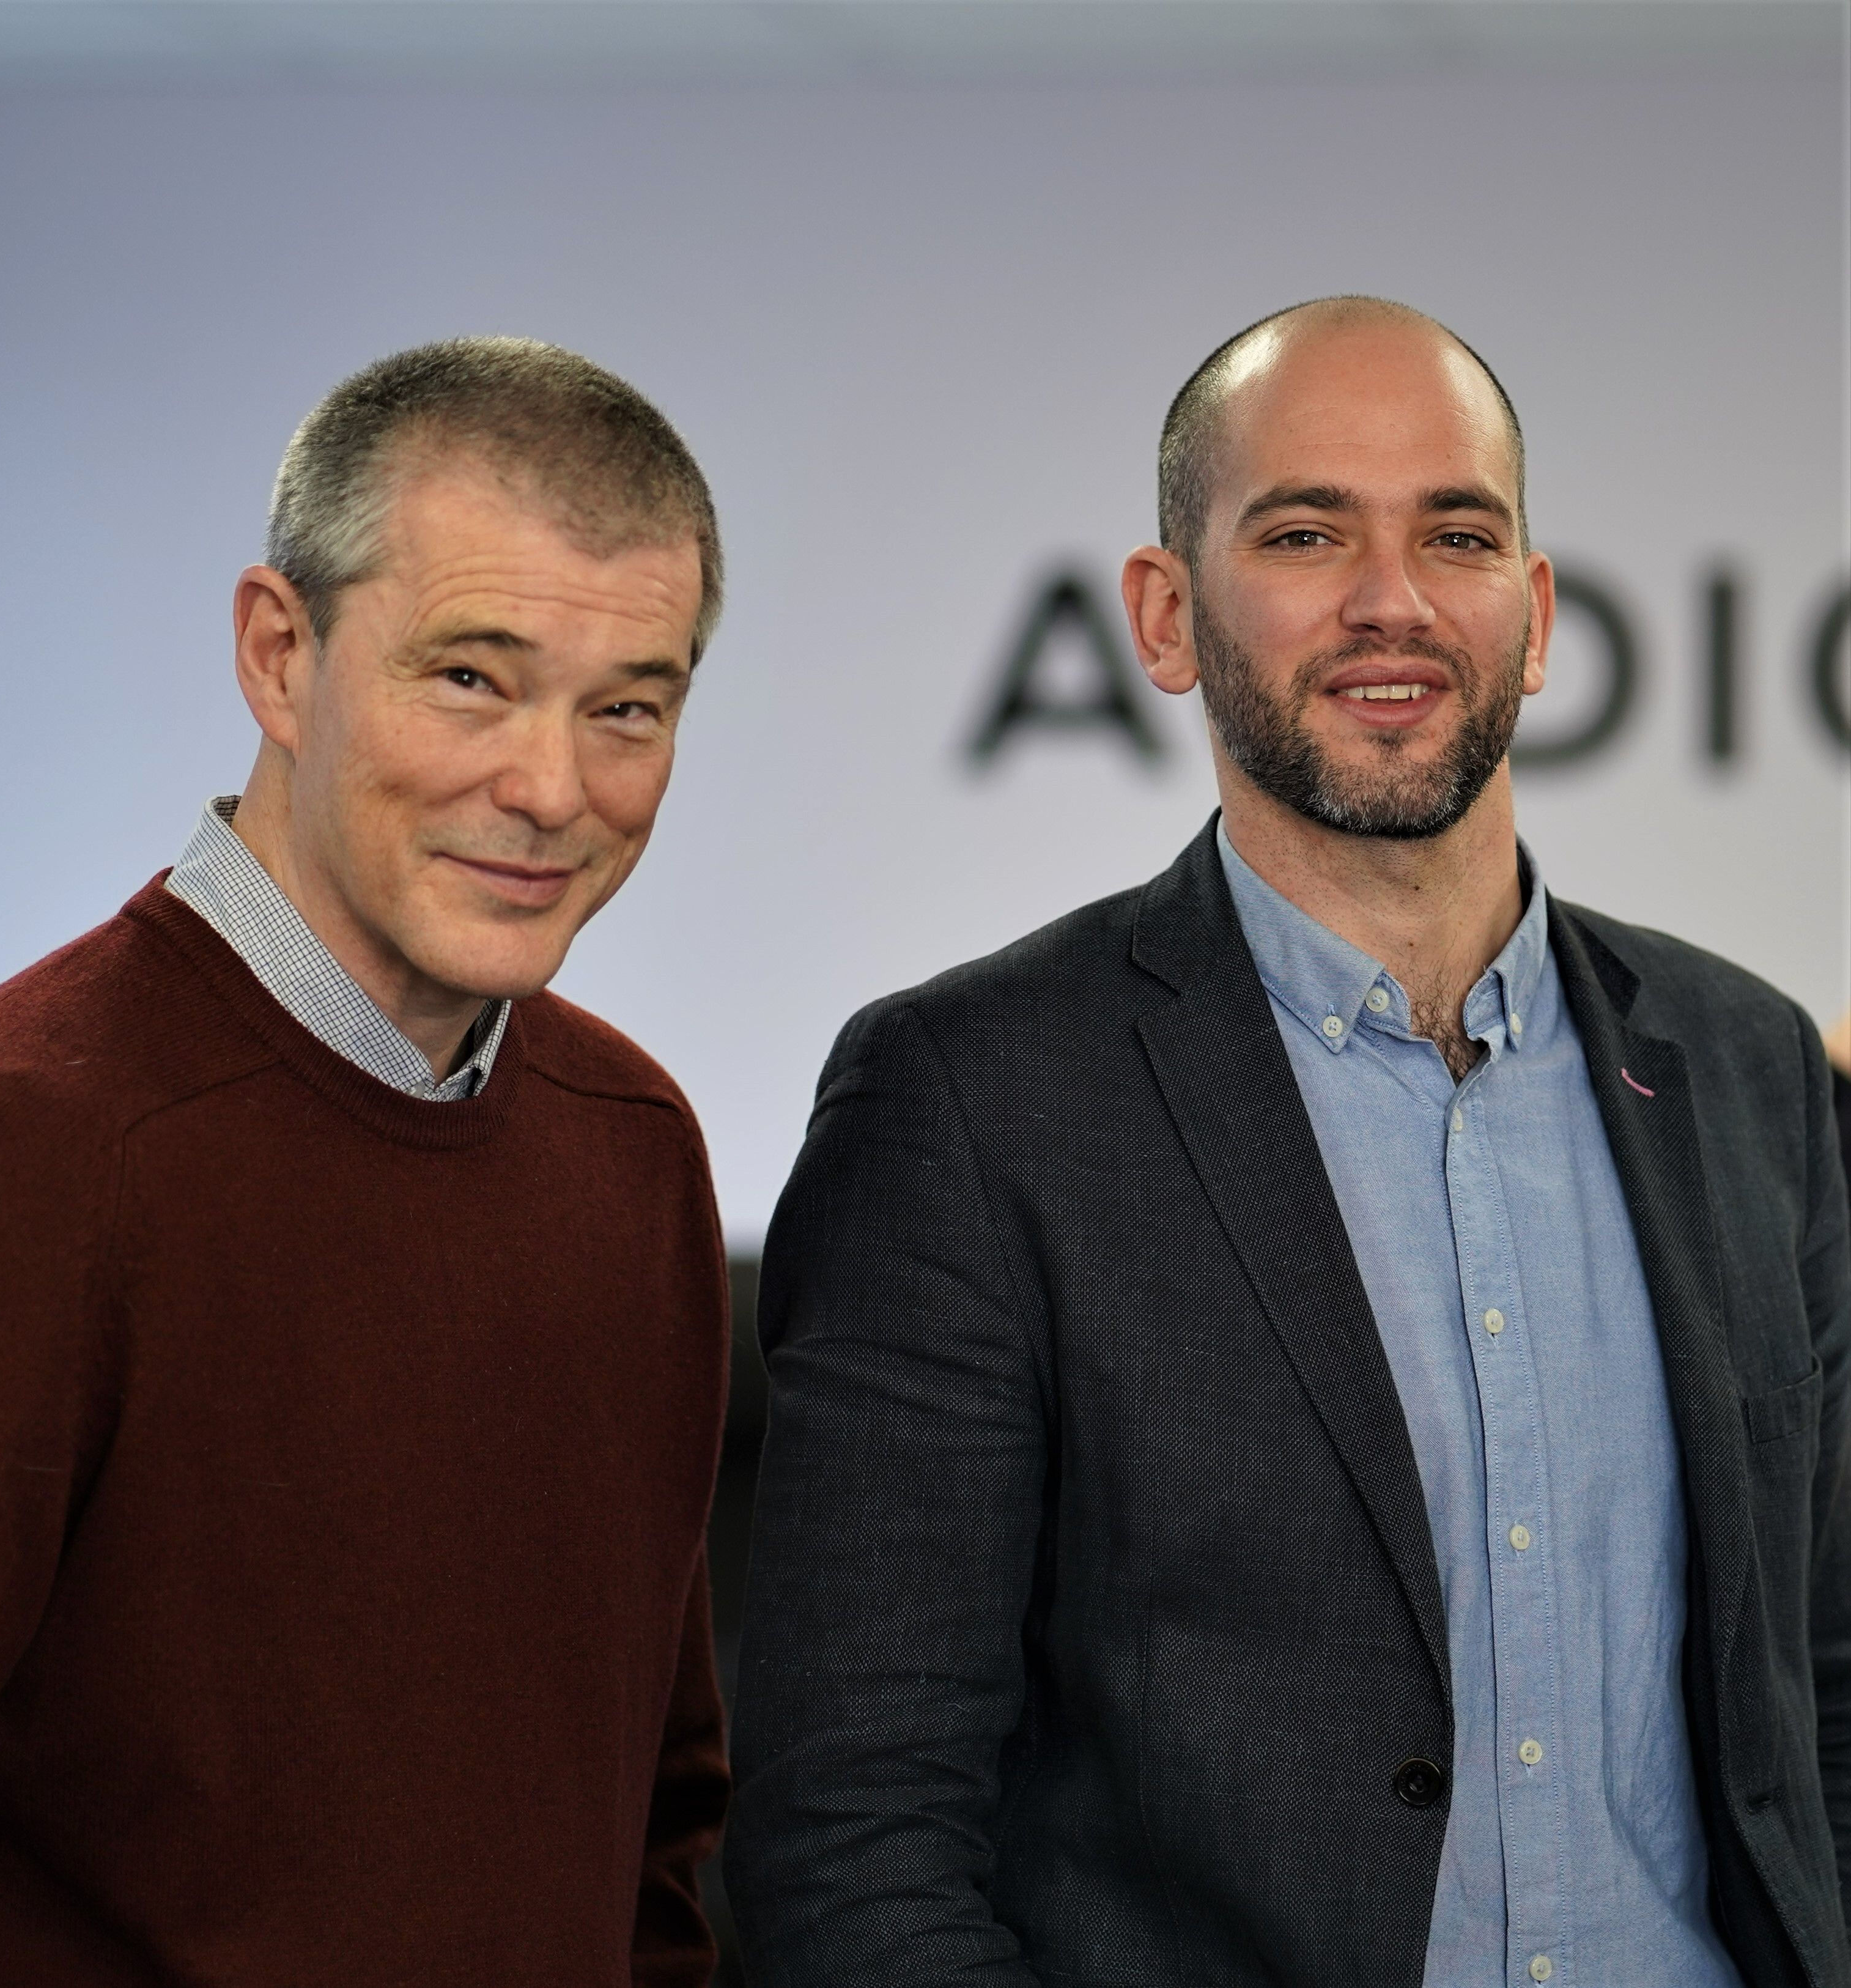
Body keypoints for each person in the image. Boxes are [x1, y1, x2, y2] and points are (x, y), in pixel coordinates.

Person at [726, 297, 1851, 1987]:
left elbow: (1821, 1692)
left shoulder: (1750, 1066)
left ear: (1535, 618)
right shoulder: (963, 1102)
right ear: (1165, 616)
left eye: (1454, 534)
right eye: (1306, 529)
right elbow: (856, 1829)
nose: (1389, 599)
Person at [0, 338, 732, 1986]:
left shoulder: (631, 1153)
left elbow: (652, 1820)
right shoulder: (21, 1151)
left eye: (626, 709)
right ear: (279, 655)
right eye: (469, 678)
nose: (549, 788)